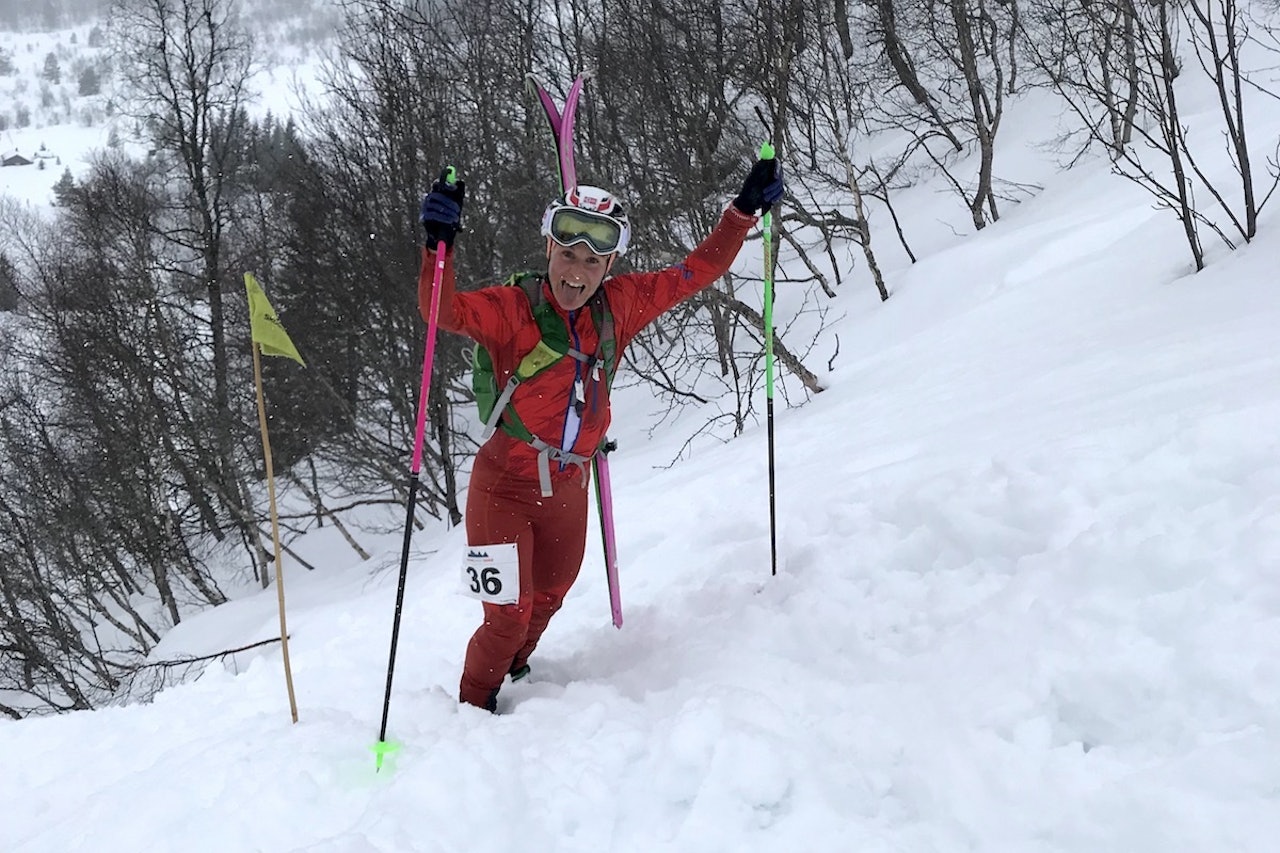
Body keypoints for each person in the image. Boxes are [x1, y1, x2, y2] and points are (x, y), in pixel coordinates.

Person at [417, 156, 783, 712]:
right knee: (506, 614)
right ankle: (472, 711)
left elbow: (694, 273)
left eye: (592, 261)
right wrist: (437, 247)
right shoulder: (513, 309)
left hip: (568, 486)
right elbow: (441, 311)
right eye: (567, 254)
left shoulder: (619, 305)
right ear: (548, 249)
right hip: (503, 488)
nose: (576, 272)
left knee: (550, 597)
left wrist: (742, 213)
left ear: (608, 264)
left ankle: (519, 668)